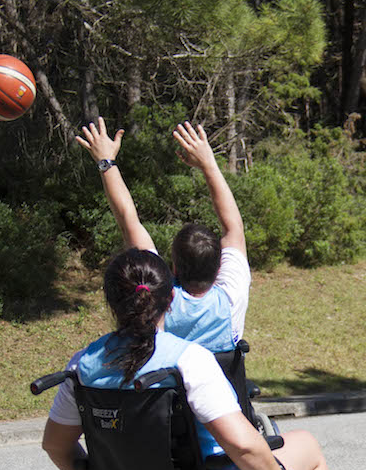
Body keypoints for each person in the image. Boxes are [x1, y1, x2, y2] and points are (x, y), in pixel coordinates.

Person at [41, 248, 334, 470]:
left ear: (110, 301)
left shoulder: (83, 365)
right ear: (170, 298)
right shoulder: (188, 360)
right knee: (305, 444)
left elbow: (56, 445)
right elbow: (243, 445)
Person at [76, 117, 250, 352]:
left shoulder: (157, 302)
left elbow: (129, 219)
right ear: (219, 267)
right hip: (221, 389)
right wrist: (209, 163)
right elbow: (234, 228)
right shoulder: (231, 298)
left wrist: (106, 161)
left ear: (173, 268)